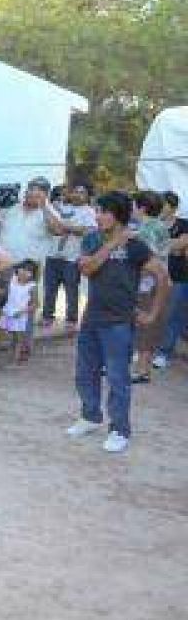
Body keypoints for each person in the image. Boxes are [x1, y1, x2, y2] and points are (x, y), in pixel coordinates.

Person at [67, 191, 170, 453]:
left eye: (103, 211)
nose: (98, 216)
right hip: (91, 317)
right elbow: (87, 268)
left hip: (119, 322)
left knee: (117, 377)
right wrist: (113, 244)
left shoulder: (136, 245)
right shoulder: (92, 238)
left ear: (118, 214)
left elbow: (161, 276)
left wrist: (153, 313)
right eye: (97, 211)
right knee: (84, 372)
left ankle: (119, 430)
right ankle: (90, 417)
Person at [42, 183, 97, 330]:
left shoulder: (89, 212)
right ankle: (47, 317)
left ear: (87, 196)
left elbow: (86, 231)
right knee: (50, 288)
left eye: (82, 192)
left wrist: (65, 226)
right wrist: (62, 225)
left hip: (72, 258)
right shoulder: (62, 208)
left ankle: (71, 320)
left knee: (71, 290)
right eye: (75, 192)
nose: (78, 195)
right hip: (53, 254)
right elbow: (52, 228)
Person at [130, 191, 171, 384]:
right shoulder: (159, 226)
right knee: (149, 327)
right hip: (159, 283)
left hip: (148, 284)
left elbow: (148, 260)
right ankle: (142, 369)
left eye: (134, 205)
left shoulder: (147, 229)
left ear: (142, 208)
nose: (131, 209)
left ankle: (142, 371)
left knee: (144, 326)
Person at [153, 191, 188, 369]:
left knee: (171, 316)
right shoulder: (153, 224)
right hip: (155, 276)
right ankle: (148, 349)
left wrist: (165, 246)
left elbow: (181, 244)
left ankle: (164, 353)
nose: (160, 207)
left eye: (164, 204)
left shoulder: (184, 224)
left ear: (173, 207)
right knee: (154, 313)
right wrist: (173, 247)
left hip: (179, 277)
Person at [0, 259, 40, 364]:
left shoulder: (32, 287)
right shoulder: (12, 280)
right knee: (1, 332)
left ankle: (15, 359)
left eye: (28, 271)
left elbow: (35, 304)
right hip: (7, 311)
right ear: (18, 269)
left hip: (20, 314)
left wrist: (23, 311)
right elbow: (6, 293)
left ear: (32, 274)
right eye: (22, 269)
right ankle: (5, 354)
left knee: (18, 339)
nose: (24, 272)